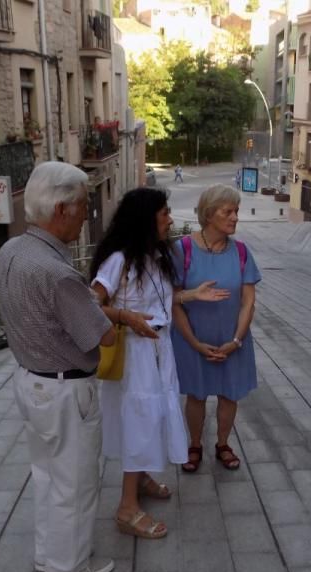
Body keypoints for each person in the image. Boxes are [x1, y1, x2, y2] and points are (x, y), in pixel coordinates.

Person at [0, 161, 116, 572]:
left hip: (30, 381)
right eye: (83, 204)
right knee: (75, 483)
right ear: (62, 209)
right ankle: (69, 566)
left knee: (47, 476)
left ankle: (49, 555)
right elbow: (101, 337)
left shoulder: (12, 251)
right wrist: (115, 315)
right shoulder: (58, 272)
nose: (86, 213)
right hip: (65, 391)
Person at [89, 188, 229, 539]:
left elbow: (160, 301)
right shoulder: (119, 259)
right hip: (135, 354)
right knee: (141, 422)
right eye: (164, 212)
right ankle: (126, 508)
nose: (169, 218)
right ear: (145, 217)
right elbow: (90, 303)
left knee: (152, 421)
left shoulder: (153, 255)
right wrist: (125, 317)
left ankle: (141, 479)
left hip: (158, 350)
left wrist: (192, 295)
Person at [172, 185, 261, 472]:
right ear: (209, 215)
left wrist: (236, 341)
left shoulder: (242, 252)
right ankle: (194, 444)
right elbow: (171, 301)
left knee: (229, 394)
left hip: (232, 341)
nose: (235, 217)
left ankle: (223, 443)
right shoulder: (182, 249)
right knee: (196, 395)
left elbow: (248, 302)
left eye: (236, 211)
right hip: (192, 341)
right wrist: (195, 343)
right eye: (228, 211)